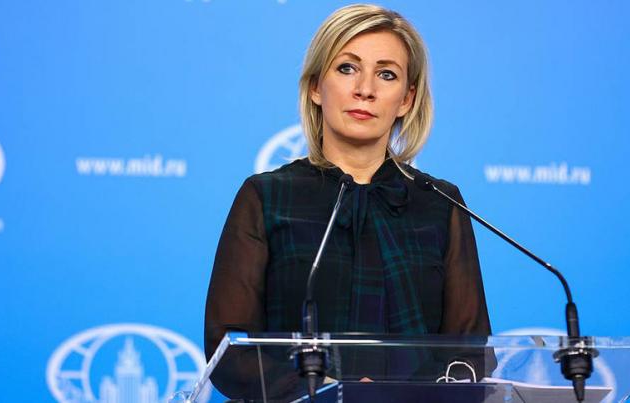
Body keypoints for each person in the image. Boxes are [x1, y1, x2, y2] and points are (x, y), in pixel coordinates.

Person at [204, 3, 492, 399]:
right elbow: (230, 349)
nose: (365, 89)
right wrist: (327, 392)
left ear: (406, 100)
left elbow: (470, 351)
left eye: (386, 74)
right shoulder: (265, 197)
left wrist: (393, 396)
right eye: (347, 68)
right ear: (315, 87)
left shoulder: (441, 203)